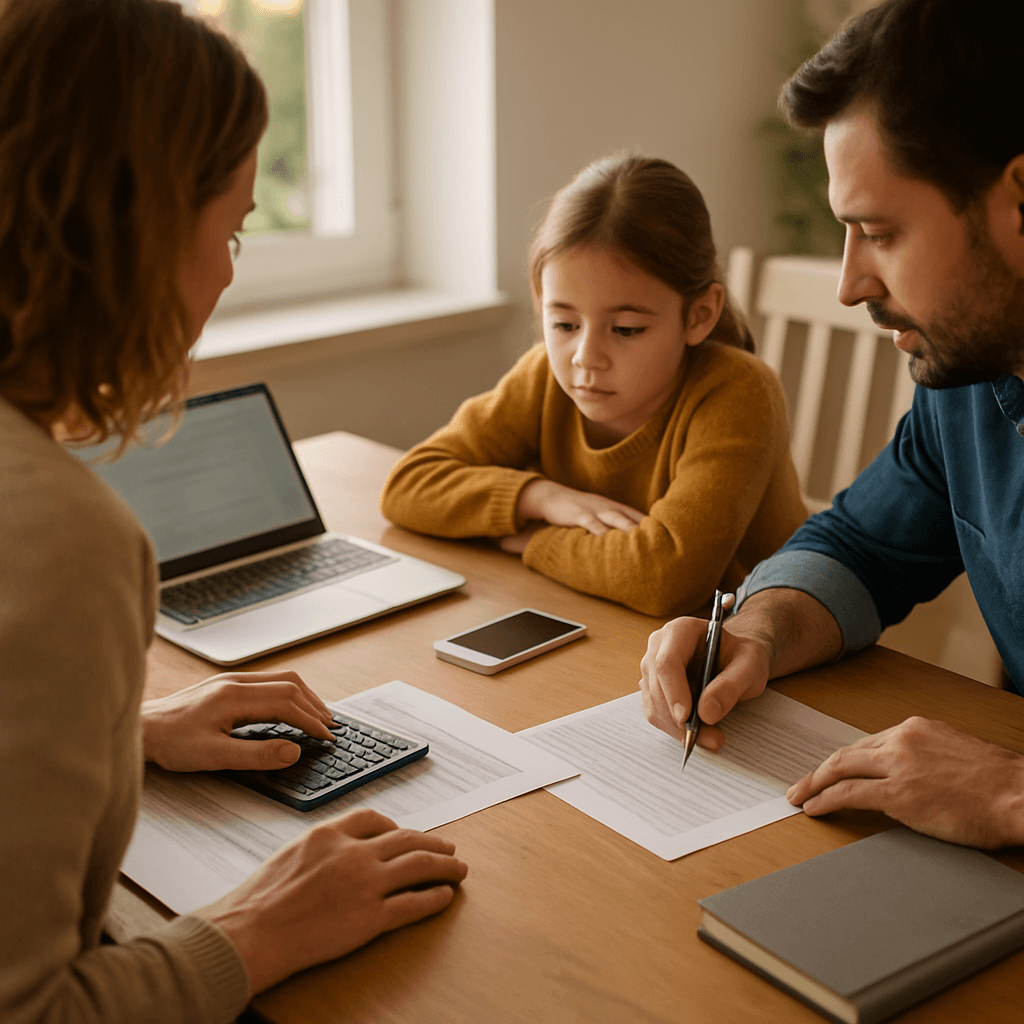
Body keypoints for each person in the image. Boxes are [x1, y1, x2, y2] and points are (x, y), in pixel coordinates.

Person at [0, 2, 467, 1021]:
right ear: (137, 233)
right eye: (232, 229)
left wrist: (124, 736)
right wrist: (260, 930)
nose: (225, 274)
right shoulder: (60, 537)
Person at [639, 0, 1024, 850]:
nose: (850, 285)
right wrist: (753, 634)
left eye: (879, 232)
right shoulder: (967, 384)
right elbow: (862, 546)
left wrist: (1008, 791)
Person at [380, 154, 807, 617]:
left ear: (699, 315)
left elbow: (663, 578)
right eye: (564, 323)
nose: (585, 357)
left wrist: (535, 541)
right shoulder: (543, 376)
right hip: (606, 626)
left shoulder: (738, 392)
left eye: (625, 330)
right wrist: (542, 497)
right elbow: (409, 485)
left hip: (747, 648)